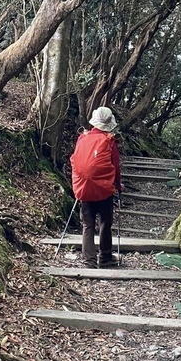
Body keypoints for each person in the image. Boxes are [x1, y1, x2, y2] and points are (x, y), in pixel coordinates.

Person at [69, 106, 122, 268]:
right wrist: (118, 186)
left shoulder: (82, 138)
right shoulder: (109, 141)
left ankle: (88, 260)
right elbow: (116, 166)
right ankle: (105, 257)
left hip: (84, 188)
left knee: (88, 224)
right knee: (105, 221)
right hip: (104, 189)